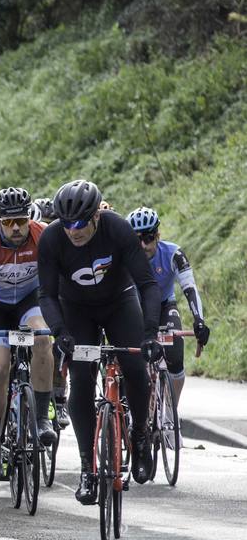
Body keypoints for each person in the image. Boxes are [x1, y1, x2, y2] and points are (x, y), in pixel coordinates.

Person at [38, 180, 162, 502]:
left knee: (136, 367)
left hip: (119, 302)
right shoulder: (52, 238)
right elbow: (47, 295)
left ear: (95, 217)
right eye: (66, 223)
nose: (73, 230)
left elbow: (147, 285)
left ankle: (139, 434)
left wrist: (149, 333)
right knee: (80, 379)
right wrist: (59, 331)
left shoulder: (117, 229)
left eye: (80, 223)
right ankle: (86, 467)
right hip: (77, 310)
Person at [0, 187, 55, 480]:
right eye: (8, 223)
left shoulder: (44, 236)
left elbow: (57, 284)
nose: (16, 228)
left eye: (21, 220)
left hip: (30, 301)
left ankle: (41, 417)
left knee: (43, 338)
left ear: (29, 217)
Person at [127, 206, 210, 407]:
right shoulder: (125, 258)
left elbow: (189, 287)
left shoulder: (173, 254)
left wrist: (199, 320)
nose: (143, 245)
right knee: (129, 361)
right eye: (136, 240)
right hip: (133, 308)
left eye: (147, 238)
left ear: (157, 235)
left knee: (174, 353)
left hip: (164, 306)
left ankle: (170, 414)